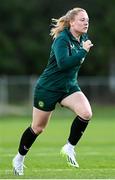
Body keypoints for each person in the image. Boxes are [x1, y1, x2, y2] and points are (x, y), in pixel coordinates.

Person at [12, 7, 93, 175]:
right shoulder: (62, 39)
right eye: (82, 20)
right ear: (72, 22)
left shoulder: (83, 38)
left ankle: (69, 147)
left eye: (87, 20)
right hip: (48, 88)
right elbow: (63, 64)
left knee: (86, 113)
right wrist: (83, 51)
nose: (86, 23)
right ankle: (19, 158)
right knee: (38, 127)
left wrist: (82, 49)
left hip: (68, 87)